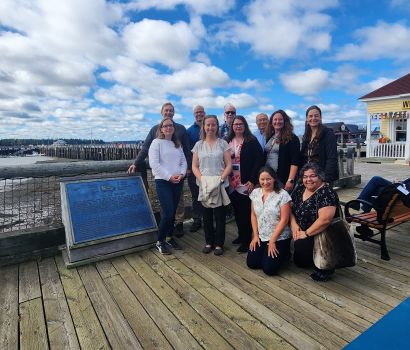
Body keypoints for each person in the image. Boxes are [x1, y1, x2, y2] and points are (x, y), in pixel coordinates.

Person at [128, 102, 191, 237]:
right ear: (161, 112)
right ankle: (163, 236)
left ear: (174, 113)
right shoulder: (154, 131)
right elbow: (146, 148)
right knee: (167, 207)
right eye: (166, 110)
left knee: (178, 201)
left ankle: (178, 225)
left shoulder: (181, 129)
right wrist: (136, 162)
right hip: (164, 178)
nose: (168, 113)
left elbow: (185, 150)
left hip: (179, 174)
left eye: (171, 111)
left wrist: (186, 169)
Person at [290, 163, 340, 281]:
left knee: (301, 252)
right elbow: (289, 208)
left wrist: (306, 233)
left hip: (321, 233)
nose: (308, 180)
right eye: (305, 176)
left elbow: (325, 220)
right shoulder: (300, 188)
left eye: (312, 176)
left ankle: (324, 264)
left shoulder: (326, 192)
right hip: (300, 229)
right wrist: (294, 225)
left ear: (320, 177)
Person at [192, 115, 232, 255]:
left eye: (213, 125)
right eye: (208, 125)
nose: (210, 127)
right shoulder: (198, 145)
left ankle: (219, 244)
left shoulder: (223, 144)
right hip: (204, 184)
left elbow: (229, 165)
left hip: (220, 184)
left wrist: (220, 179)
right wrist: (202, 179)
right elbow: (194, 166)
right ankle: (209, 242)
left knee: (220, 216)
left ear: (217, 126)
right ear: (203, 126)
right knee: (207, 215)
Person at [148, 118, 187, 255]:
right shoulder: (156, 143)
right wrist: (169, 177)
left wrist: (181, 175)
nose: (168, 128)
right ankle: (159, 241)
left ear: (173, 128)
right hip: (163, 181)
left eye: (171, 126)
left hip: (178, 181)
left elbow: (183, 162)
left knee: (174, 211)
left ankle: (169, 237)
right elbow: (154, 164)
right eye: (165, 126)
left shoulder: (177, 144)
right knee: (168, 212)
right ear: (161, 128)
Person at [227, 115, 264, 252]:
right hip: (232, 182)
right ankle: (241, 235)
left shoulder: (251, 141)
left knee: (246, 212)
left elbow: (259, 161)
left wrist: (253, 180)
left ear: (245, 125)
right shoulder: (228, 141)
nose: (238, 126)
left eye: (240, 124)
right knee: (236, 211)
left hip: (246, 182)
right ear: (232, 126)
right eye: (235, 124)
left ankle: (246, 240)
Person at [247, 166, 292, 275]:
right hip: (262, 235)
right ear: (258, 180)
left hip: (279, 237)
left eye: (268, 179)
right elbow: (253, 215)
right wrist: (255, 236)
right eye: (262, 179)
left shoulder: (282, 195)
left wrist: (272, 241)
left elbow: (284, 220)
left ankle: (285, 252)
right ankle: (268, 254)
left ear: (274, 179)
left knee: (269, 270)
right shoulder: (255, 193)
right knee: (252, 263)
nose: (265, 182)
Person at [300, 105, 339, 184]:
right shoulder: (306, 136)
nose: (313, 118)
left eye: (316, 116)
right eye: (310, 116)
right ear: (307, 119)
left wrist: (325, 179)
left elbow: (332, 158)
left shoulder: (328, 134)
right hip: (308, 177)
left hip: (321, 177)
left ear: (320, 118)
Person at [264, 109, 300, 191]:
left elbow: (295, 161)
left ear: (285, 121)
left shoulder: (292, 138)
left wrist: (290, 180)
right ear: (271, 122)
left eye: (280, 119)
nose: (277, 121)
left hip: (282, 178)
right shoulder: (270, 136)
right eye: (275, 119)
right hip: (269, 177)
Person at [186, 105, 205, 232]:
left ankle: (209, 219)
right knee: (195, 195)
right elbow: (187, 151)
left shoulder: (211, 126)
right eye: (196, 112)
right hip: (194, 168)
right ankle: (197, 219)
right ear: (194, 114)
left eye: (201, 112)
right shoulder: (189, 131)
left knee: (210, 194)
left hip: (209, 168)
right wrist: (188, 167)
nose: (199, 114)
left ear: (204, 113)